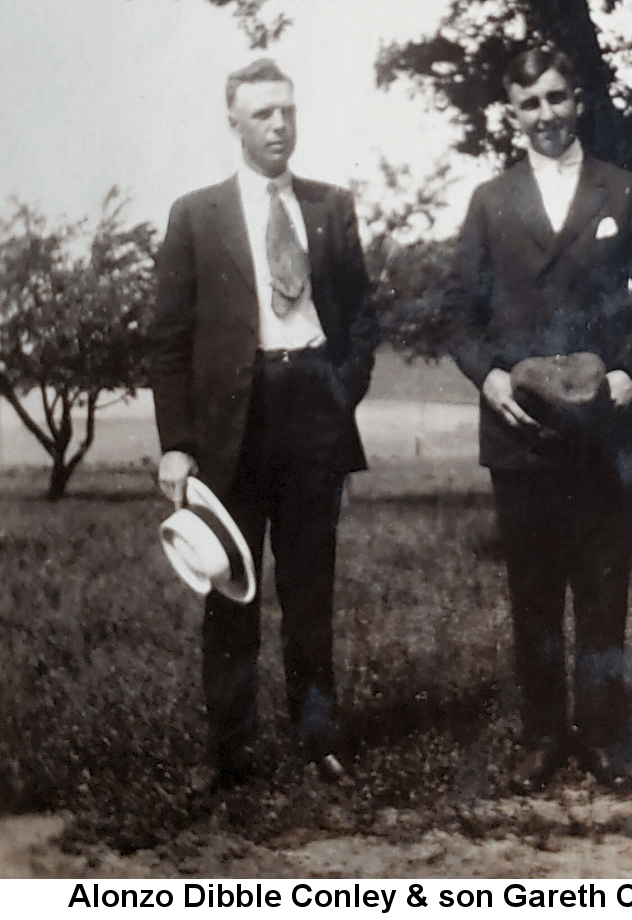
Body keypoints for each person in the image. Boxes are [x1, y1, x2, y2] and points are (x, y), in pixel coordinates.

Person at [445, 44, 632, 791]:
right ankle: (543, 737)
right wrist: (487, 380)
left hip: (607, 426)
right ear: (512, 116)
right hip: (523, 428)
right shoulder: (491, 199)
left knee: (605, 586)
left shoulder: (627, 192)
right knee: (535, 592)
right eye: (529, 104)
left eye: (555, 98)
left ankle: (605, 736)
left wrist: (626, 372)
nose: (545, 115)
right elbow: (457, 314)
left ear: (576, 101)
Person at [150, 58, 378, 788]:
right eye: (262, 115)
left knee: (311, 588)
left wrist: (340, 393)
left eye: (287, 111)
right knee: (229, 590)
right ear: (234, 123)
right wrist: (178, 445)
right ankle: (228, 751)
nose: (279, 126)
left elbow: (361, 317)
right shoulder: (196, 215)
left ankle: (319, 738)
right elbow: (168, 338)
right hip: (231, 425)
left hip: (313, 407)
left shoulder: (330, 206)